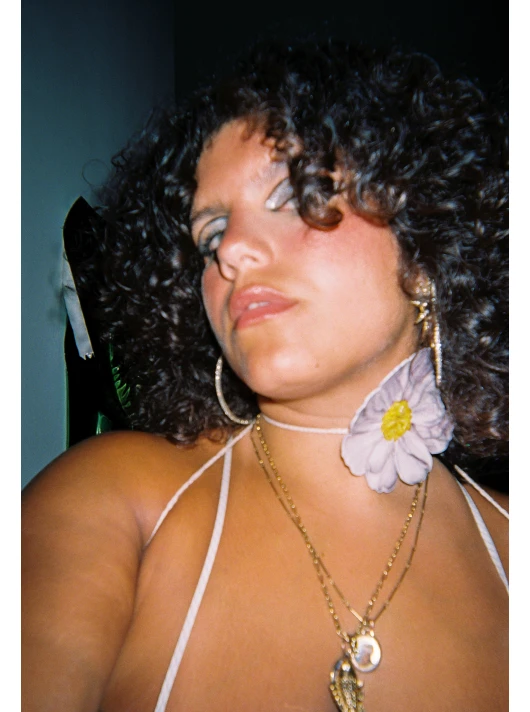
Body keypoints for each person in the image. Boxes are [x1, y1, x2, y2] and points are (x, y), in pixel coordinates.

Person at [22, 41, 508, 712]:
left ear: (426, 244)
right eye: (211, 233)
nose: (232, 250)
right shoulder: (113, 501)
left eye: (293, 195)